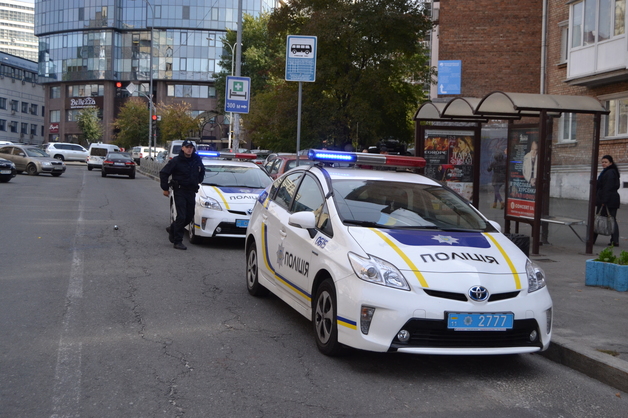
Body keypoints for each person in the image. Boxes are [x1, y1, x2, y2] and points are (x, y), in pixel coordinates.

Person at [159, 140, 206, 250]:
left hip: (191, 191)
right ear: (183, 148)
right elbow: (164, 173)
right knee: (181, 216)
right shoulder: (176, 161)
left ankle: (172, 228)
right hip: (180, 191)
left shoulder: (196, 159)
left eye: (191, 147)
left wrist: (198, 180)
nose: (189, 149)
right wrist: (165, 188)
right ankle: (177, 241)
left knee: (189, 216)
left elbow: (202, 170)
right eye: (187, 147)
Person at [595, 155, 621, 247]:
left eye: (605, 162)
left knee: (598, 218)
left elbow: (607, 188)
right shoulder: (610, 172)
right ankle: (615, 240)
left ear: (611, 163)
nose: (603, 164)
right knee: (612, 219)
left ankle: (592, 239)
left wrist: (603, 201)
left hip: (607, 200)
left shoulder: (609, 173)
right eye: (602, 162)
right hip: (611, 199)